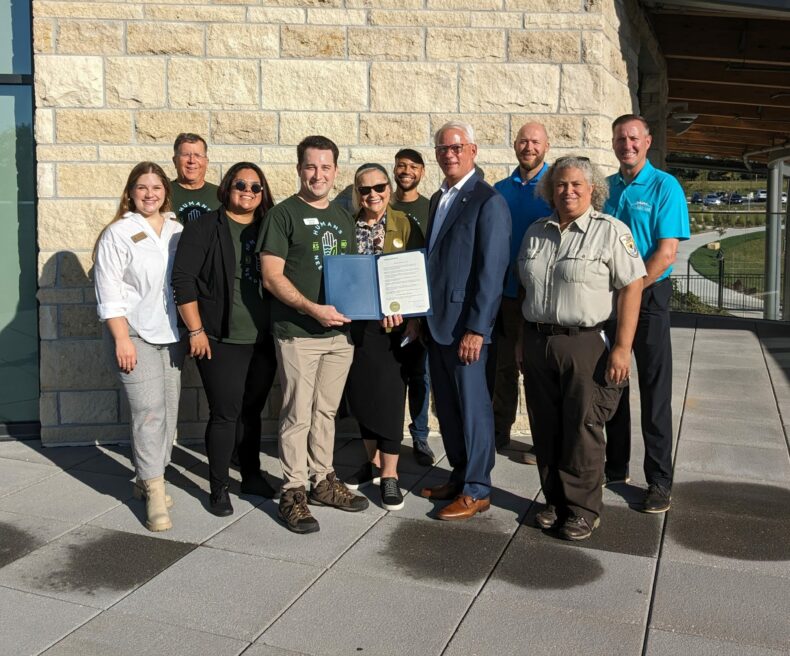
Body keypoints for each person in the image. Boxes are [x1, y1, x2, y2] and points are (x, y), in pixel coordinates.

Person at [516, 156, 645, 540]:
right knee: (546, 427)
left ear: (592, 190)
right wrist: (523, 342)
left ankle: (584, 509)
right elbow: (526, 289)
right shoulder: (535, 232)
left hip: (584, 343)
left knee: (583, 427)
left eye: (576, 185)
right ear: (549, 190)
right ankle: (554, 500)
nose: (567, 191)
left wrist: (622, 347)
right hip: (539, 341)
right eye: (560, 185)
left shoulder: (610, 231)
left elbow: (632, 286)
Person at [259, 135, 369, 535]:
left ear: (335, 171)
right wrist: (311, 308)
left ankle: (323, 480)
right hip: (298, 333)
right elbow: (272, 277)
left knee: (325, 412)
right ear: (299, 168)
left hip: (339, 336)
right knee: (297, 414)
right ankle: (292, 491)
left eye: (325, 167)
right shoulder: (282, 215)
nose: (318, 174)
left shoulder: (343, 218)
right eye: (310, 166)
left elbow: (354, 277)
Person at [172, 162, 278, 517]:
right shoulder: (205, 227)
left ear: (263, 193)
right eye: (240, 184)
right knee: (225, 414)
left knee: (252, 411)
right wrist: (196, 330)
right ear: (227, 188)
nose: (247, 191)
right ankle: (218, 488)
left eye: (255, 187)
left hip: (263, 338)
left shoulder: (270, 226)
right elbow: (183, 280)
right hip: (219, 338)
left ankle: (250, 474)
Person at [419, 121, 511, 521]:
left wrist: (478, 328)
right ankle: (459, 476)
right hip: (436, 324)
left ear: (473, 150)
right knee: (449, 408)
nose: (449, 154)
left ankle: (477, 488)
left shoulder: (487, 201)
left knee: (473, 409)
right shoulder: (438, 198)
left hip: (465, 328)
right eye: (442, 148)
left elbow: (492, 273)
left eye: (457, 147)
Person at [603, 114, 690, 513]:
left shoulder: (664, 186)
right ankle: (615, 466)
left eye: (634, 138)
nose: (628, 145)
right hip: (609, 301)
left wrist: (632, 287)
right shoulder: (606, 188)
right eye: (621, 138)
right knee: (611, 383)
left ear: (647, 141)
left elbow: (666, 252)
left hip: (649, 298)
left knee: (655, 393)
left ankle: (658, 481)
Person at [93, 161, 186, 532]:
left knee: (169, 411)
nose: (150, 194)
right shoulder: (118, 233)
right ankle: (154, 491)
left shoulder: (178, 230)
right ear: (130, 192)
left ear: (166, 191)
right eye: (142, 187)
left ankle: (147, 475)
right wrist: (120, 339)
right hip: (132, 332)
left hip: (173, 333)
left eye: (157, 187)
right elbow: (109, 289)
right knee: (148, 412)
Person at [342, 163, 424, 511]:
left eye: (379, 187)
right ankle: (372, 463)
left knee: (390, 398)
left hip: (393, 328)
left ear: (389, 189)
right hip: (355, 326)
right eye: (365, 189)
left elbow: (418, 271)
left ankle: (390, 476)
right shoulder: (344, 225)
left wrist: (414, 318)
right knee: (361, 398)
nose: (372, 194)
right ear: (356, 193)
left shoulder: (405, 224)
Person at [493, 122, 552, 463]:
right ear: (515, 144)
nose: (528, 147)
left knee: (536, 371)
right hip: (505, 294)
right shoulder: (500, 189)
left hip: (539, 296)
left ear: (546, 146)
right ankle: (500, 432)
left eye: (535, 142)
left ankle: (540, 439)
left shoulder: (554, 188)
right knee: (503, 367)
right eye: (523, 141)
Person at [389, 148, 435, 467]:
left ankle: (420, 437)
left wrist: (419, 316)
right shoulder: (381, 202)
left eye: (413, 166)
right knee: (390, 379)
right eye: (401, 165)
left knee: (420, 377)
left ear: (422, 172)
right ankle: (386, 440)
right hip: (384, 311)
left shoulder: (432, 207)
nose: (406, 170)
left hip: (418, 308)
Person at [170, 133, 220, 224]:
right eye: (185, 155)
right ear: (175, 161)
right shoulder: (162, 193)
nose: (192, 161)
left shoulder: (220, 195)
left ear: (206, 161)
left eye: (197, 155)